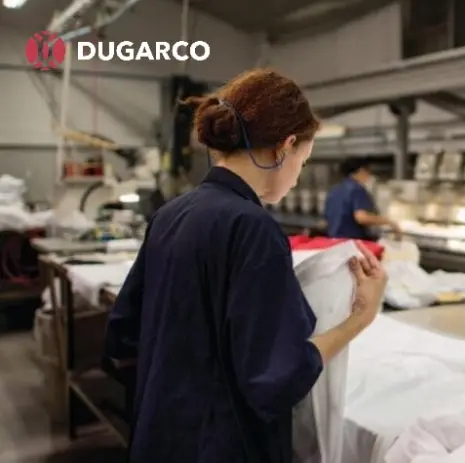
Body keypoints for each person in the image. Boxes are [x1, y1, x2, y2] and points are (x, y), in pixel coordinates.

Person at [104, 69, 387, 463]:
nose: (297, 177)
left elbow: (122, 336)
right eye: (303, 162)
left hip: (158, 437)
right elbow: (277, 379)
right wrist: (360, 318)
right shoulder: (254, 230)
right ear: (286, 147)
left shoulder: (170, 215)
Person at [323, 157, 401, 240]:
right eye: (368, 171)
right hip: (350, 241)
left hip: (333, 240)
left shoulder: (334, 190)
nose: (369, 175)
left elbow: (326, 220)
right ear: (361, 171)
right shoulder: (357, 189)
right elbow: (361, 217)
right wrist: (389, 222)